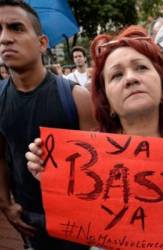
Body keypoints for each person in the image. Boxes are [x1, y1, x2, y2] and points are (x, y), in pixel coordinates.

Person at [26, 25, 163, 229]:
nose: (130, 78)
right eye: (116, 75)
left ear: (161, 87)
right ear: (107, 101)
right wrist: (54, 176)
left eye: (141, 68)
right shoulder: (87, 157)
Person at [0, 1, 96, 249]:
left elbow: (96, 166)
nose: (5, 38)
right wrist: (6, 205)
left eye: (16, 28)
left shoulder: (76, 97)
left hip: (75, 221)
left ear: (42, 43)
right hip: (27, 217)